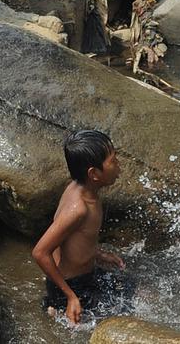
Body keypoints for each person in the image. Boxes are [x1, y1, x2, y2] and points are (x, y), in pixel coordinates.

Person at [31, 130, 131, 325]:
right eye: (113, 161)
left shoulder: (84, 190)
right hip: (73, 285)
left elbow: (76, 240)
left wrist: (98, 254)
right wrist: (71, 297)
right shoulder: (78, 209)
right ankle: (56, 306)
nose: (119, 165)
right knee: (122, 317)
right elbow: (40, 252)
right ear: (94, 173)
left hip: (84, 276)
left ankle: (53, 304)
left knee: (130, 287)